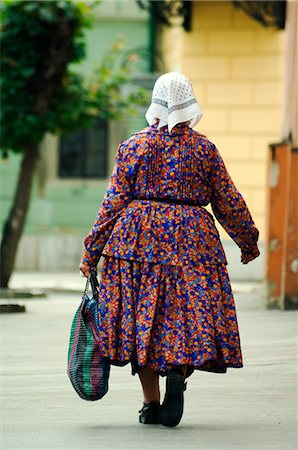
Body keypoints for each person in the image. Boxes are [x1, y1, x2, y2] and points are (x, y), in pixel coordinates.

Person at [79, 72, 260, 427]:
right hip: (193, 241)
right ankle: (177, 370)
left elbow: (113, 202)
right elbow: (227, 199)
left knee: (143, 318)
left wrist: (92, 252)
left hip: (137, 241)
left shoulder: (134, 145)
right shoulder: (204, 148)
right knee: (183, 316)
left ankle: (150, 402)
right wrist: (247, 240)